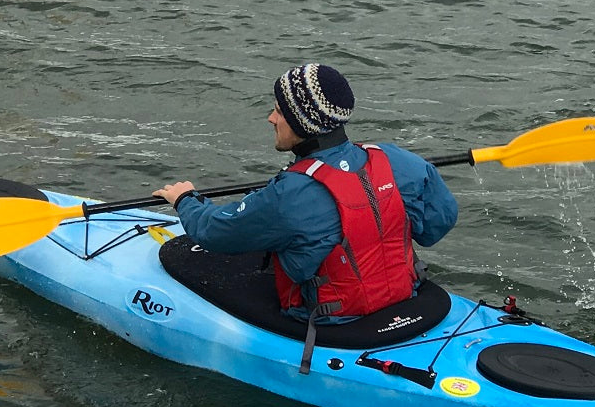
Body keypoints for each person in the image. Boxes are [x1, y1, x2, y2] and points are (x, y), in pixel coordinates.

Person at [152, 63, 458, 325]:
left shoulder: (290, 195)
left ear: (303, 122)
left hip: (331, 319)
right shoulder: (397, 160)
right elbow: (437, 225)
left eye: (279, 111)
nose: (271, 118)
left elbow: (214, 232)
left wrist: (186, 200)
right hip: (403, 296)